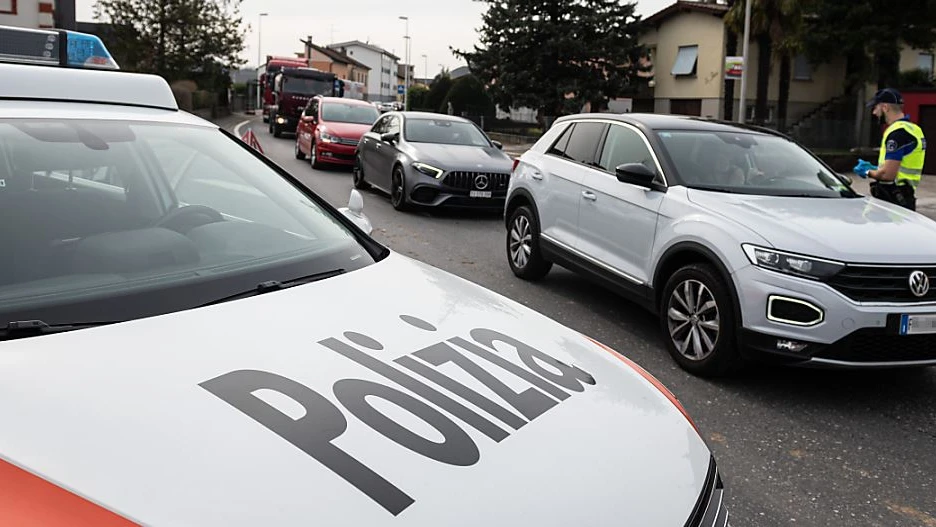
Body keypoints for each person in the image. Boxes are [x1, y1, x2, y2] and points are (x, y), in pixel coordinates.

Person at [855, 88, 926, 211]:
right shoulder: (914, 129)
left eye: (875, 108)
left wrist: (867, 172)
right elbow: (902, 163)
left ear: (885, 107)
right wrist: (877, 168)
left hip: (893, 200)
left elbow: (888, 175)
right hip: (904, 197)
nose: (874, 113)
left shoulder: (897, 133)